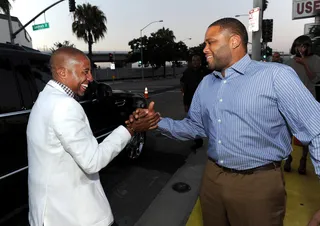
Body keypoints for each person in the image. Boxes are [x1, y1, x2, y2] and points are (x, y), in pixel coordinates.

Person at [127, 18, 320, 226]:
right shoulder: (207, 83)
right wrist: (156, 123)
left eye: (211, 42)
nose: (204, 49)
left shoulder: (276, 76)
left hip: (257, 183)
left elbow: (316, 130)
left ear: (234, 41)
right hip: (212, 178)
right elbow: (194, 126)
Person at [26, 47, 159, 226]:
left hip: (47, 214)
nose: (90, 78)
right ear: (62, 72)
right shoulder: (65, 106)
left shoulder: (44, 99)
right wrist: (131, 129)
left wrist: (129, 126)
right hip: (74, 217)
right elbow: (93, 161)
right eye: (85, 72)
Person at [284, 35, 320, 175]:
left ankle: (304, 159)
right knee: (286, 130)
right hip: (290, 100)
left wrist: (305, 63)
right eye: (299, 45)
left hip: (308, 100)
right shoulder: (288, 62)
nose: (301, 49)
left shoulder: (316, 60)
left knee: (307, 131)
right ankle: (288, 157)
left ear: (309, 47)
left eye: (304, 46)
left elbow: (315, 78)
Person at [180, 54, 211, 149]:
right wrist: (185, 103)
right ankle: (198, 140)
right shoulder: (187, 72)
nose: (195, 62)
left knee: (207, 120)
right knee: (193, 121)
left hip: (204, 101)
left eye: (197, 60)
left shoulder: (206, 71)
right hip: (190, 101)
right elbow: (183, 87)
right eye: (193, 60)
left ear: (200, 61)